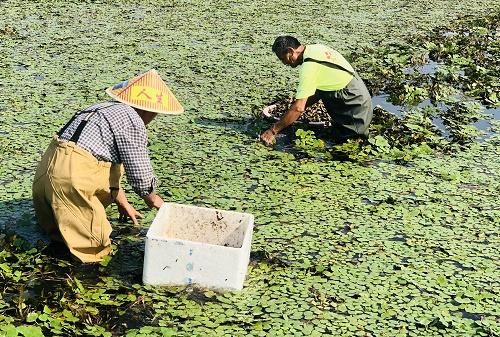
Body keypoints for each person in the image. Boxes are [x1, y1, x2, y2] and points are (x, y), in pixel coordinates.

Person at [32, 69, 184, 263]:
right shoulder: (132, 120)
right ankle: (85, 288)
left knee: (58, 239)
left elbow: (101, 159)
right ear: (149, 110)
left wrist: (123, 202)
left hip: (45, 174)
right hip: (72, 181)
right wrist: (155, 201)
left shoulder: (100, 108)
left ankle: (45, 280)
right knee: (93, 251)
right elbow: (139, 173)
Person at [260, 35, 373, 145]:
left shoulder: (308, 67)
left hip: (354, 105)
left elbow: (298, 108)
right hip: (359, 91)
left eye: (283, 58)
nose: (284, 63)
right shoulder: (315, 48)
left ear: (291, 51)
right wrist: (291, 112)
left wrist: (273, 130)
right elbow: (316, 93)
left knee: (351, 148)